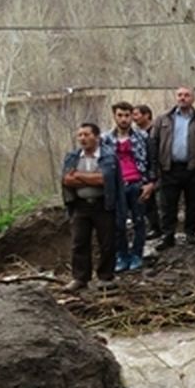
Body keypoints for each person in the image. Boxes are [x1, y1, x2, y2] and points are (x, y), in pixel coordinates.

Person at [149, 86, 195, 249]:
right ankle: (168, 235)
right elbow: (153, 143)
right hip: (169, 168)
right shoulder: (162, 119)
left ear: (193, 99)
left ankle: (191, 233)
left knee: (194, 203)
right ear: (175, 97)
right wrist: (155, 166)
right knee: (167, 204)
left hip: (194, 170)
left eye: (187, 95)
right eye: (180, 95)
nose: (182, 98)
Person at [61, 122, 121, 291]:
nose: (83, 138)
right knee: (79, 242)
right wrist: (91, 178)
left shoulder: (108, 156)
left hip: (103, 205)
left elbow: (103, 180)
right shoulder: (72, 157)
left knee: (107, 242)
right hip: (80, 206)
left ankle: (105, 277)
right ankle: (80, 278)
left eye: (87, 135)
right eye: (80, 135)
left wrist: (79, 176)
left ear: (96, 137)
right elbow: (66, 179)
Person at [103, 101, 153, 272]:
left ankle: (136, 254)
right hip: (116, 185)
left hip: (137, 182)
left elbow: (152, 161)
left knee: (139, 221)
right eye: (120, 115)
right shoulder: (105, 140)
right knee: (118, 223)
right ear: (114, 116)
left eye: (127, 115)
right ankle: (121, 255)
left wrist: (150, 183)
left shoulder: (143, 137)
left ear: (132, 116)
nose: (124, 119)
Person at [133, 104, 162, 239]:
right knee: (147, 200)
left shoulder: (157, 130)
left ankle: (165, 228)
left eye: (137, 114)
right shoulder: (136, 134)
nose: (134, 118)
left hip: (160, 168)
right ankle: (154, 227)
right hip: (143, 170)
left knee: (162, 200)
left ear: (147, 115)